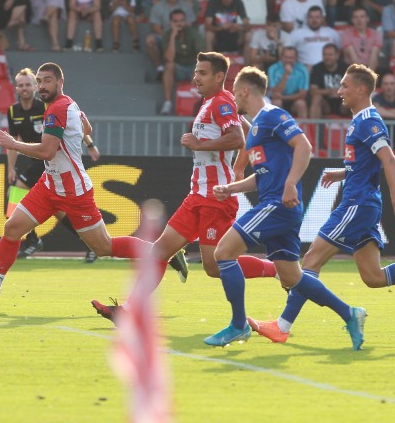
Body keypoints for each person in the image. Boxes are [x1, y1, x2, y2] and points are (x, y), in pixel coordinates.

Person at [248, 64, 395, 346]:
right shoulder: (361, 121)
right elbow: (368, 163)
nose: (339, 91)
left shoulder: (368, 121)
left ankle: (282, 326)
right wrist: (342, 172)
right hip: (362, 204)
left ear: (361, 89)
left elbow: (389, 160)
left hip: (356, 204)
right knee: (373, 277)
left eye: (345, 86)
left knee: (311, 260)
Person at [0, 62, 188, 307]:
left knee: (103, 247)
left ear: (60, 83)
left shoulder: (57, 108)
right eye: (40, 81)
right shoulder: (68, 104)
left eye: (47, 81)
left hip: (72, 191)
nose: (42, 86)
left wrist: (12, 143)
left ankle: (165, 252)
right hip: (50, 185)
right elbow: (86, 127)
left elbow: (47, 151)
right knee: (13, 228)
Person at [91, 52, 279, 324]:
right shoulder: (212, 103)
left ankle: (276, 270)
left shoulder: (222, 102)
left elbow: (237, 137)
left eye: (202, 73)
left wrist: (202, 146)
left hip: (216, 198)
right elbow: (249, 135)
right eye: (196, 71)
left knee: (214, 267)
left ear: (218, 77)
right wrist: (238, 167)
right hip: (197, 196)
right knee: (159, 251)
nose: (196, 77)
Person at [204, 66, 367, 349]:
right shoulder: (256, 128)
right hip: (280, 204)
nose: (232, 98)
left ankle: (238, 325)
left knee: (223, 252)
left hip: (278, 204)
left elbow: (304, 146)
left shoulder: (273, 115)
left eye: (234, 92)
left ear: (245, 90)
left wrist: (291, 183)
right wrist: (231, 188)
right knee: (292, 277)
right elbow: (264, 175)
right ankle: (349, 313)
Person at [6, 67, 101, 261]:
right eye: (20, 85)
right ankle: (89, 244)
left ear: (35, 87)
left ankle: (32, 241)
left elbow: (76, 125)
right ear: (16, 88)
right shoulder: (13, 111)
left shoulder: (46, 106)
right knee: (58, 212)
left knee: (15, 194)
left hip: (49, 160)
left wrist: (90, 144)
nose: (25, 88)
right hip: (38, 161)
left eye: (28, 84)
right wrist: (10, 168)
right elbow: (12, 141)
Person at [159, 8, 204, 115]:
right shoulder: (167, 34)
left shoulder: (192, 32)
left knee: (200, 66)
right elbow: (169, 58)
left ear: (185, 21)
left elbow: (202, 53)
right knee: (169, 66)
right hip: (178, 68)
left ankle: (194, 105)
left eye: (181, 20)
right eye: (176, 21)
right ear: (171, 23)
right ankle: (168, 102)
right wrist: (173, 37)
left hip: (193, 67)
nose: (179, 23)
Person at [144, 0, 195, 80]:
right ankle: (160, 68)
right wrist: (169, 36)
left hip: (183, 36)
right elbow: (155, 27)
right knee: (149, 40)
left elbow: (189, 25)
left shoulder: (186, 6)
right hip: (164, 35)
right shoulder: (158, 6)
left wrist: (179, 35)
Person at [289, 6, 340, 70]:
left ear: (322, 18)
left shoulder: (332, 32)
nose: (314, 20)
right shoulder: (296, 33)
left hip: (327, 69)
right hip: (305, 70)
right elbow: (288, 53)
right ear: (307, 18)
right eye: (311, 17)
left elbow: (339, 51)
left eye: (317, 17)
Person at [308, 43, 349, 120]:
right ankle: (313, 130)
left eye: (330, 55)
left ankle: (360, 130)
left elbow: (352, 89)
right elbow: (313, 91)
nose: (327, 57)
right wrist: (329, 91)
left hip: (343, 104)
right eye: (325, 55)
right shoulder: (317, 68)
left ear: (337, 55)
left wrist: (339, 92)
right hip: (325, 104)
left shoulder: (346, 68)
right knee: (316, 98)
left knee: (354, 98)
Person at [267, 46, 309, 118]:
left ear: (296, 58)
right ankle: (275, 129)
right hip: (278, 100)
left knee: (301, 104)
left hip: (294, 100)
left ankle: (302, 129)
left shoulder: (302, 69)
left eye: (291, 58)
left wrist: (283, 97)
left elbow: (303, 94)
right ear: (281, 57)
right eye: (285, 57)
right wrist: (286, 75)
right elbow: (275, 91)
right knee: (276, 102)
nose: (288, 60)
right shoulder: (273, 68)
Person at [340, 6, 382, 71]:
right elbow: (353, 58)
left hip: (371, 69)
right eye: (355, 17)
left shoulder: (376, 34)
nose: (359, 20)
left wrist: (368, 76)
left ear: (367, 19)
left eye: (362, 17)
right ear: (352, 20)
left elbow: (373, 57)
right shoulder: (346, 34)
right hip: (352, 70)